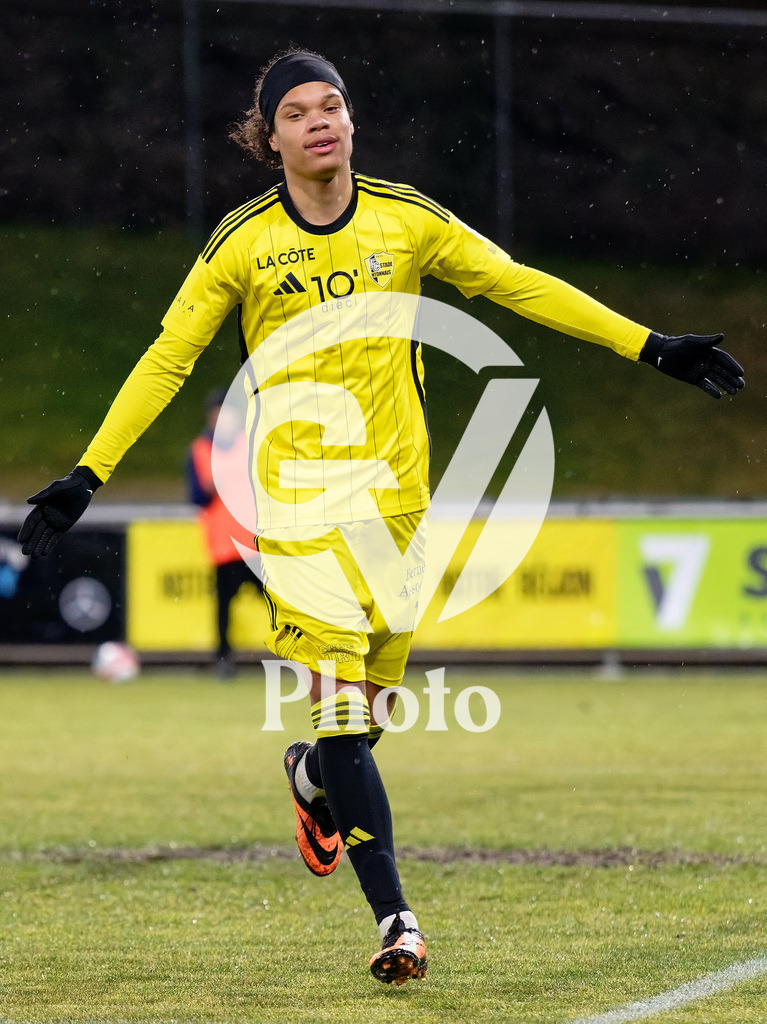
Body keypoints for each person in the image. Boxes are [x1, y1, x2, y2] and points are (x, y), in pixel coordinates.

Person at [18, 48, 744, 986]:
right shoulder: (242, 244)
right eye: (296, 113)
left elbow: (517, 283)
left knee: (360, 728)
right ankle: (399, 922)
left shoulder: (407, 221)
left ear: (351, 121)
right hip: (294, 513)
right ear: (269, 138)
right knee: (338, 711)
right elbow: (167, 357)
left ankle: (311, 779)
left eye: (332, 105)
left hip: (398, 510)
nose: (319, 122)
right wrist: (89, 472)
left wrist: (648, 346)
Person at [187, 389, 263, 678]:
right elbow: (197, 496)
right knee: (224, 606)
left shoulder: (250, 444)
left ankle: (302, 652)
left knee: (279, 603)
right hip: (223, 542)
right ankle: (223, 658)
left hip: (255, 541)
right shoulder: (200, 449)